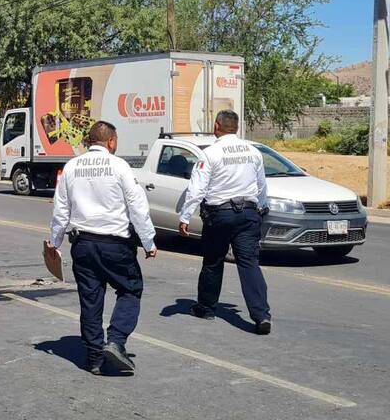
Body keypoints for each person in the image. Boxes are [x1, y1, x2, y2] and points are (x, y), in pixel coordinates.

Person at [47, 121, 157, 375]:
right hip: (116, 245)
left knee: (90, 300)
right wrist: (148, 241)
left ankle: (95, 357)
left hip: (83, 245)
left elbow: (61, 210)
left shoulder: (72, 166)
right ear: (111, 141)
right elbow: (137, 206)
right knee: (130, 289)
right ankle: (116, 341)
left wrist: (54, 242)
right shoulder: (119, 166)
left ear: (90, 141)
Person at [178, 109, 272, 335]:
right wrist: (262, 208)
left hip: (219, 215)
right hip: (248, 213)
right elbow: (261, 185)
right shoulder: (253, 152)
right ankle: (261, 315)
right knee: (249, 263)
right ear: (236, 128)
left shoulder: (210, 153)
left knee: (213, 261)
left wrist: (185, 216)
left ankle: (206, 308)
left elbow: (196, 189)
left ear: (216, 127)